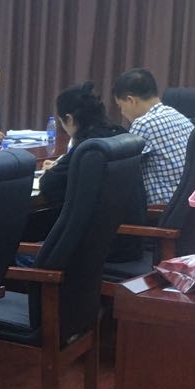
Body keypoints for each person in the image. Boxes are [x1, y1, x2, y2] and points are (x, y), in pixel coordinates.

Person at [35, 81, 144, 262]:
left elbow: (49, 186)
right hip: (128, 245)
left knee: (11, 252)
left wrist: (54, 170)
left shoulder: (90, 148)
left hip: (96, 254)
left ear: (69, 119)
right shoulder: (120, 135)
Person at [113, 67, 191, 205]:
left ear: (131, 100)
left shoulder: (143, 124)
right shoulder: (180, 117)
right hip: (187, 207)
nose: (122, 113)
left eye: (120, 106)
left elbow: (122, 172)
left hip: (160, 211)